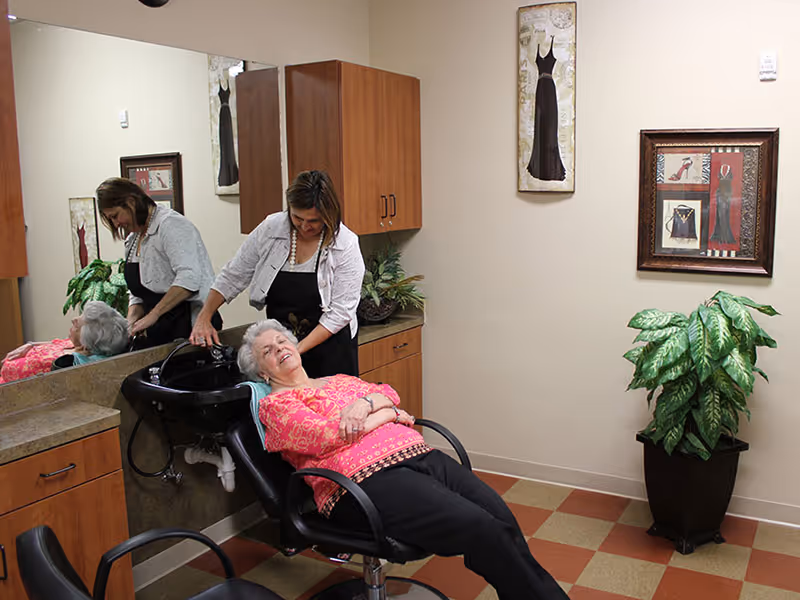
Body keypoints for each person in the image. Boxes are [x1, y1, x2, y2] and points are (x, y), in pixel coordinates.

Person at [237, 320, 570, 600]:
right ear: (261, 373)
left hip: (420, 455)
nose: (279, 347)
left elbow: (387, 392)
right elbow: (328, 436)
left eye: (282, 340)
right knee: (484, 530)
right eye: (267, 350)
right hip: (363, 481)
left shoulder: (339, 380)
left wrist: (366, 404)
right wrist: (387, 415)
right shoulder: (277, 406)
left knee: (502, 519)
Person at [191, 170, 365, 379]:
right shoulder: (271, 229)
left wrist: (294, 352)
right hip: (281, 350)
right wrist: (205, 315)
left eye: (314, 221)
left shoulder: (344, 244)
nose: (304, 226)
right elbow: (234, 273)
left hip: (330, 350)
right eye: (297, 217)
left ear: (329, 214)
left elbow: (339, 314)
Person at [97, 177, 222, 348]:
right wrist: (132, 319)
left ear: (131, 202)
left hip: (188, 327)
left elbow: (189, 278)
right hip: (158, 331)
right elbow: (138, 291)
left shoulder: (170, 225)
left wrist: (154, 314)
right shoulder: (133, 239)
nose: (116, 223)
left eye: (115, 216)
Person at [0, 301, 129, 384]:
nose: (73, 320)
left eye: (77, 325)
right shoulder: (75, 345)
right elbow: (57, 343)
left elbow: (8, 369)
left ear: (86, 343)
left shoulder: (61, 363)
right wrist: (31, 344)